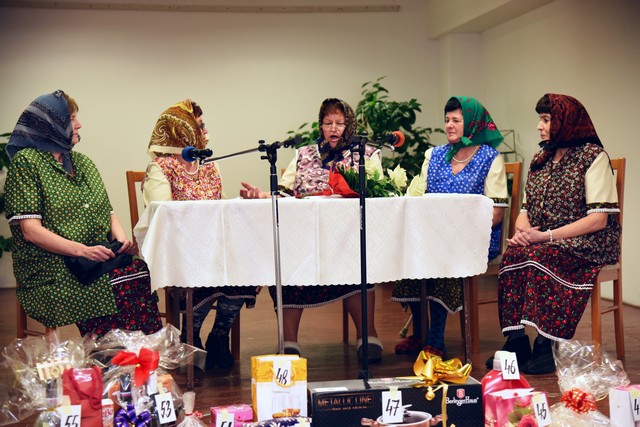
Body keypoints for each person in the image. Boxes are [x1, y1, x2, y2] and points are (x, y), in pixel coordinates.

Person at [4, 90, 162, 337]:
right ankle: (109, 351)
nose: (79, 124)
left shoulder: (83, 162)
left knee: (138, 270)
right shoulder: (27, 162)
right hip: (52, 265)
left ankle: (141, 349)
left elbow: (109, 212)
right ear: (51, 124)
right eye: (71, 118)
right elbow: (31, 231)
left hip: (94, 256)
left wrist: (121, 241)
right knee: (116, 282)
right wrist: (82, 250)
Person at [239, 97, 384, 363]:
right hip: (303, 237)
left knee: (358, 261)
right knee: (286, 266)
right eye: (328, 123)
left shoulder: (367, 155)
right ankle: (289, 341)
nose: (334, 128)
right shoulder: (304, 153)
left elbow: (377, 195)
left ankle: (367, 335)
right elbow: (283, 192)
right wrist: (261, 195)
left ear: (349, 125)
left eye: (340, 123)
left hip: (347, 237)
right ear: (320, 126)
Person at [489, 93, 620, 375]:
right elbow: (525, 209)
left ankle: (546, 345)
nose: (539, 126)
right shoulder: (541, 159)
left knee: (541, 257)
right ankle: (516, 342)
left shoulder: (592, 157)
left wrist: (545, 237)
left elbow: (598, 220)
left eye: (546, 120)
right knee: (513, 254)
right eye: (540, 119)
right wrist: (523, 231)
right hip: (545, 240)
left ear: (566, 122)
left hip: (588, 242)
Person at [143, 99, 257, 369]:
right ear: (182, 132)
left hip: (214, 245)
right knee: (204, 268)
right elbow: (163, 216)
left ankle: (219, 335)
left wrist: (243, 204)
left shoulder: (210, 165)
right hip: (181, 250)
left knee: (247, 262)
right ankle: (191, 335)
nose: (206, 132)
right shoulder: (160, 167)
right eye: (199, 126)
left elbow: (222, 208)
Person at [392, 96, 508, 358]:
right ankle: (420, 333)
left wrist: (458, 233)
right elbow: (419, 199)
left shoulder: (490, 159)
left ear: (473, 124)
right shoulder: (433, 155)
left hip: (473, 239)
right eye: (447, 120)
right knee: (411, 256)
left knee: (442, 258)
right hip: (433, 236)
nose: (449, 125)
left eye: (456, 120)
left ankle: (435, 339)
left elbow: (497, 214)